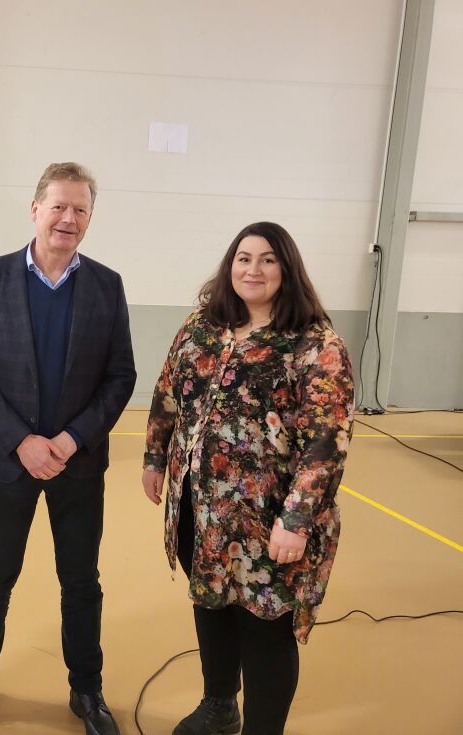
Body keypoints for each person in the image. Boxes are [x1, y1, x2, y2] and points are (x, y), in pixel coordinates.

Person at [0, 162, 136, 735]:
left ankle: (86, 689)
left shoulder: (106, 285)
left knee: (81, 580)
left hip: (78, 466)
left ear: (89, 219)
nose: (68, 218)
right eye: (59, 206)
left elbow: (120, 377)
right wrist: (22, 441)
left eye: (80, 210)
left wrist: (71, 440)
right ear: (35, 209)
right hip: (8, 462)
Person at [142, 221, 355, 735]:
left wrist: (297, 519)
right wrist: (154, 458)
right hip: (201, 505)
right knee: (210, 603)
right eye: (243, 258)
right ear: (229, 266)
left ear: (287, 269)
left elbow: (326, 442)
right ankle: (219, 705)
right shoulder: (201, 328)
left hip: (270, 517)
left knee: (264, 625)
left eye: (267, 260)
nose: (252, 269)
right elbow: (167, 393)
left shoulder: (314, 344)